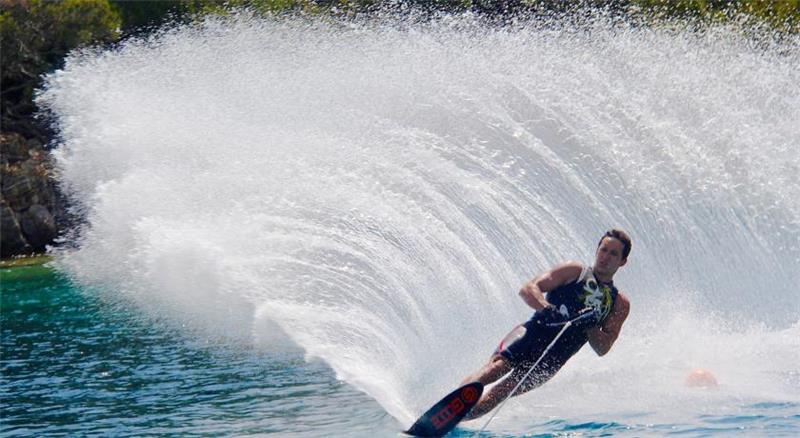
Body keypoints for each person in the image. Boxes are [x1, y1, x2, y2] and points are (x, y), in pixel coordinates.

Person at [460, 229, 632, 420]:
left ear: (622, 262)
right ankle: (455, 403)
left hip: (553, 360)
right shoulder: (575, 271)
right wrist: (546, 308)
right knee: (495, 369)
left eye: (613, 254)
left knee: (502, 392)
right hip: (530, 335)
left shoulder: (618, 303)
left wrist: (591, 326)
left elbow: (603, 348)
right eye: (603, 250)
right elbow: (528, 288)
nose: (605, 257)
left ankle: (451, 422)